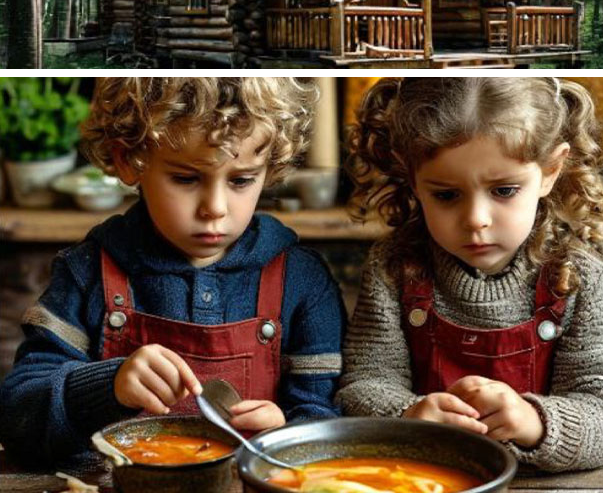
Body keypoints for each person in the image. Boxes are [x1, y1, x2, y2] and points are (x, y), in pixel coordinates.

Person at [0, 77, 345, 465]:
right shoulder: (87, 272)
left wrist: (285, 436)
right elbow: (17, 418)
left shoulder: (302, 280)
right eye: (186, 178)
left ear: (271, 166)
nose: (215, 208)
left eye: (242, 180)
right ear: (128, 160)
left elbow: (327, 419)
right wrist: (107, 386)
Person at [337, 77, 603, 472]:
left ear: (550, 170)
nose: (476, 221)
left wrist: (535, 422)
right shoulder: (395, 270)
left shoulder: (579, 280)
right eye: (446, 195)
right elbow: (360, 388)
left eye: (503, 191)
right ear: (411, 176)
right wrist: (408, 416)